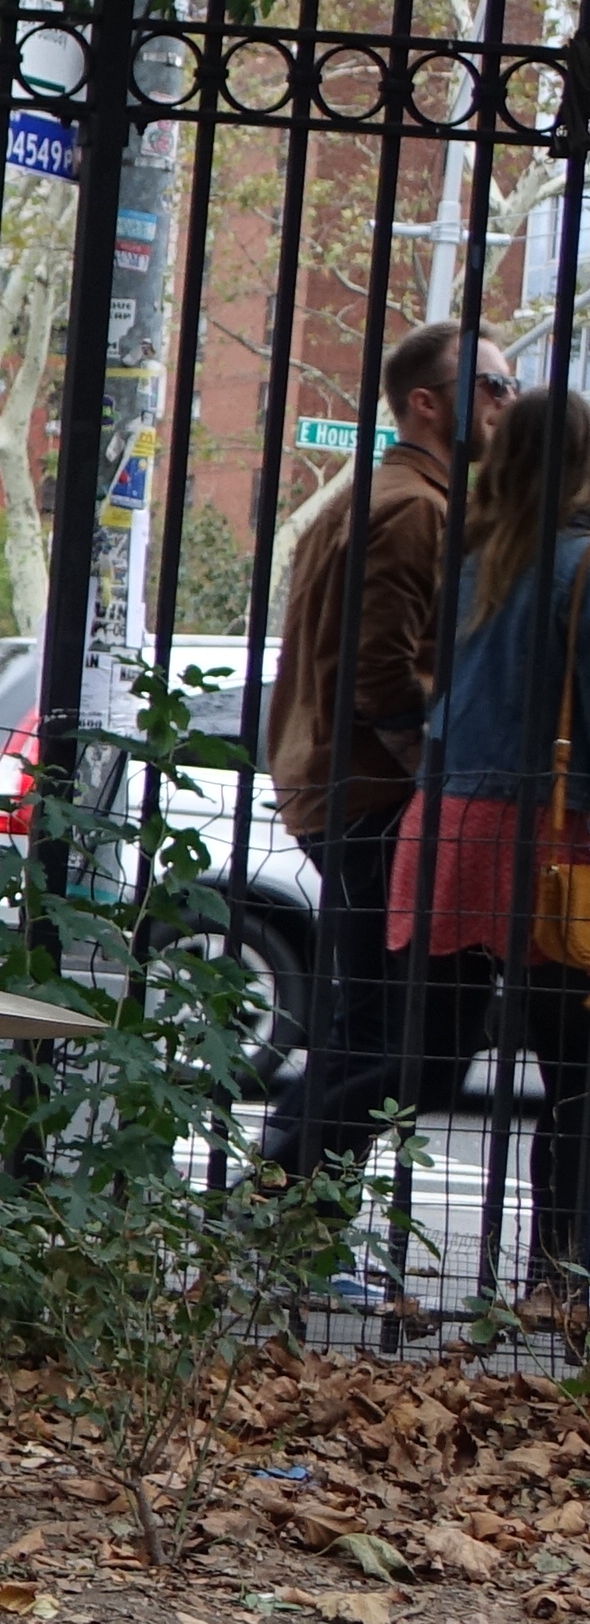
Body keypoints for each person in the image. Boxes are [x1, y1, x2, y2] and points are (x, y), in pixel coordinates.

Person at [266, 322, 505, 1179]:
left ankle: (286, 1223)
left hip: (342, 791)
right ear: (426, 402)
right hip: (371, 800)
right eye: (493, 386)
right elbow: (380, 673)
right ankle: (276, 1209)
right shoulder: (414, 508)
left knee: (366, 1031)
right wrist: (433, 784)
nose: (506, 404)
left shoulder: (381, 493)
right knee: (420, 1048)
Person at [378, 384, 590, 1285]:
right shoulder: (581, 565)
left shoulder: (470, 557)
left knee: (414, 1062)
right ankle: (559, 1273)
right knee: (577, 1077)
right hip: (549, 837)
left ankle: (287, 1200)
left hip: (450, 825)